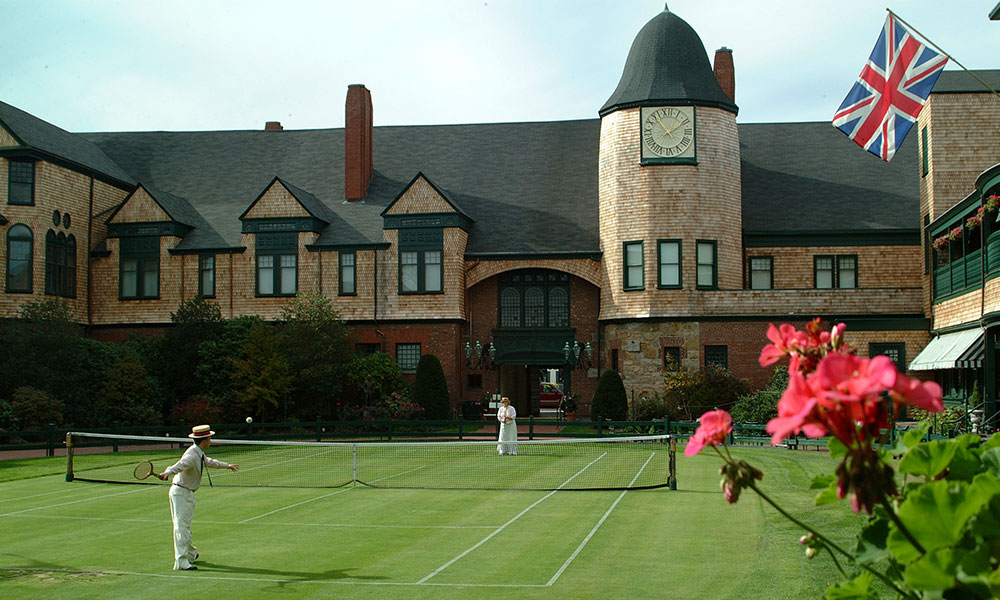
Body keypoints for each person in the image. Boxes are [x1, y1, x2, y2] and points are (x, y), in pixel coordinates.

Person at [157, 424, 239, 570]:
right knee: (181, 527)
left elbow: (209, 462)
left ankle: (190, 553)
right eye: (209, 439)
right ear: (204, 440)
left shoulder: (198, 452)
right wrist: (168, 473)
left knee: (184, 527)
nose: (211, 441)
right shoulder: (191, 455)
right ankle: (181, 561)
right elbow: (180, 465)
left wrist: (227, 465)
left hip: (187, 493)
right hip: (181, 493)